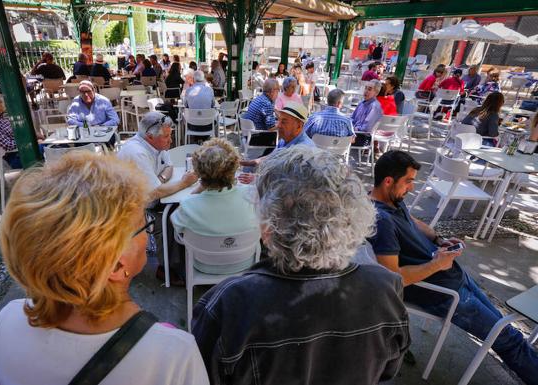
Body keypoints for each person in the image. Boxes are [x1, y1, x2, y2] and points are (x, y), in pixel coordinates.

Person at [193, 145, 410, 384]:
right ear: (354, 216)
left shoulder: (230, 302)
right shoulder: (386, 287)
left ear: (268, 227)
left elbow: (202, 376)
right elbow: (387, 370)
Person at [0, 151, 210, 385]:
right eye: (143, 225)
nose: (148, 233)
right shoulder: (172, 355)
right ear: (116, 264)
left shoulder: (9, 319)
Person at [369, 150, 538, 385]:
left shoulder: (392, 200)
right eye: (408, 181)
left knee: (510, 333)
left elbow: (414, 222)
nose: (412, 187)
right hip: (444, 295)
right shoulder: (381, 221)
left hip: (454, 278)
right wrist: (436, 264)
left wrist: (439, 240)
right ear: (388, 181)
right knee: (510, 340)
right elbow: (392, 278)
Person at [117, 112, 198, 285]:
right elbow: (154, 194)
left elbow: (168, 166)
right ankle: (167, 268)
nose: (170, 141)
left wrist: (160, 181)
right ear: (149, 136)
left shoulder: (156, 146)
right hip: (128, 206)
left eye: (170, 135)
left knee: (181, 208)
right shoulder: (137, 152)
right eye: (166, 136)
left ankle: (183, 260)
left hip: (146, 197)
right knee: (170, 216)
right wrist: (183, 183)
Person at [170, 138, 259, 274]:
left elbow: (176, 226)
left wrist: (199, 188)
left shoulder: (189, 205)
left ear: (198, 171)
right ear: (234, 168)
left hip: (204, 265)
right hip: (246, 263)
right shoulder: (252, 196)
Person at [351, 80, 384, 147]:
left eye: (369, 89)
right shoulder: (361, 103)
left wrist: (354, 128)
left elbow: (367, 128)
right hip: (354, 133)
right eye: (365, 88)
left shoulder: (374, 107)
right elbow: (352, 118)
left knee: (335, 135)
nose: (366, 91)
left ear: (376, 93)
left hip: (362, 137)